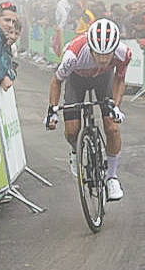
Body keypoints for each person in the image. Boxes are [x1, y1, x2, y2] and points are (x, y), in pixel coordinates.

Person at [45, 18, 131, 202]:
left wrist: (115, 106)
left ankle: (112, 178)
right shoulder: (73, 55)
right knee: (72, 130)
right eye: (98, 54)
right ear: (90, 47)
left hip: (103, 80)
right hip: (77, 80)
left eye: (107, 55)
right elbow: (56, 81)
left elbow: (119, 79)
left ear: (114, 49)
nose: (102, 59)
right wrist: (52, 110)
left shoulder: (123, 53)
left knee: (113, 128)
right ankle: (75, 152)